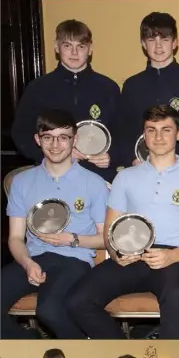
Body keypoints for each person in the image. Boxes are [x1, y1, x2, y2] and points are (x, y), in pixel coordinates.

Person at [68, 104, 179, 339]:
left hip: (175, 258)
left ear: (178, 134)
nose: (158, 136)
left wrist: (173, 256)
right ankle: (127, 352)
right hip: (132, 254)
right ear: (144, 136)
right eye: (151, 130)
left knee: (177, 297)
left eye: (166, 129)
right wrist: (116, 254)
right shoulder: (124, 177)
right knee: (77, 301)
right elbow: (111, 230)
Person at [2, 109, 108, 339]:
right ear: (38, 140)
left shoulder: (94, 183)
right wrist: (27, 262)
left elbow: (105, 239)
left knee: (49, 310)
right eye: (48, 137)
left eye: (63, 137)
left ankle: (84, 352)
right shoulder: (21, 182)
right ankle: (30, 344)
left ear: (75, 140)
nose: (56, 144)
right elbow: (15, 238)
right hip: (33, 258)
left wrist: (72, 239)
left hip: (74, 260)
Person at [11, 20, 121, 183]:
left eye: (81, 46)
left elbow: (123, 131)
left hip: (98, 176)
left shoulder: (108, 88)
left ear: (90, 49)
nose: (74, 53)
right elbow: (20, 133)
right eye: (67, 46)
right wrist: (53, 152)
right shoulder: (37, 88)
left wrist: (113, 155)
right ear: (56, 46)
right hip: (52, 174)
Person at [116, 12, 179, 170]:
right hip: (141, 171)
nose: (158, 46)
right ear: (143, 43)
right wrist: (132, 160)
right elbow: (121, 132)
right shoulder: (132, 86)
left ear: (175, 43)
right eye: (151, 40)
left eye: (165, 39)